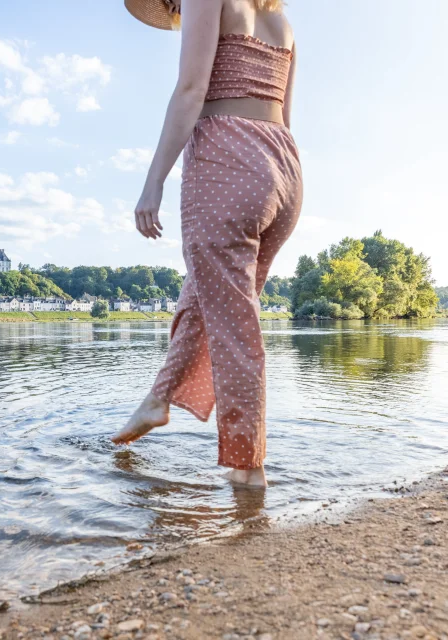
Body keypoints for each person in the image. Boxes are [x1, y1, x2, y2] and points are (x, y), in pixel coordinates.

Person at [112, 0, 303, 488]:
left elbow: (192, 89)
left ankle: (247, 470)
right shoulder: (282, 21)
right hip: (284, 169)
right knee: (208, 295)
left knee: (235, 329)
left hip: (226, 156)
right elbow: (287, 113)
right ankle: (158, 399)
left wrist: (153, 180)